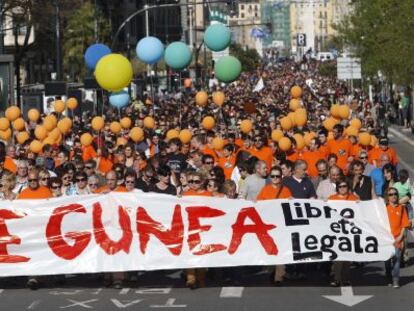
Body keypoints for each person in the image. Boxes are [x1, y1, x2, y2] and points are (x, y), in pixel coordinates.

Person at [182, 171, 212, 289]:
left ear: (202, 182)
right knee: (190, 252)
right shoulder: (186, 194)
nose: (193, 184)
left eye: (196, 181)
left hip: (204, 228)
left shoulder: (208, 195)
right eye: (190, 182)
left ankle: (201, 277)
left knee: (201, 253)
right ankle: (191, 278)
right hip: (189, 227)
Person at [328, 178, 359, 287]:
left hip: (349, 233)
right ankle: (336, 279)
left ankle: (345, 279)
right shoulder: (332, 199)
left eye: (344, 186)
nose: (342, 188)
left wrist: (360, 204)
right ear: (337, 188)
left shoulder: (354, 198)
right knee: (338, 258)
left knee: (348, 258)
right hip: (336, 232)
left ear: (348, 187)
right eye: (340, 186)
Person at [384, 187, 410, 288]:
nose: (393, 196)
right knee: (387, 261)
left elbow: (404, 224)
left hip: (397, 239)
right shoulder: (384, 209)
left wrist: (400, 237)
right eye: (390, 194)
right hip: (386, 240)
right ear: (388, 197)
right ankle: (388, 277)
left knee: (396, 261)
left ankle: (396, 280)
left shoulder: (402, 208)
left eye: (395, 194)